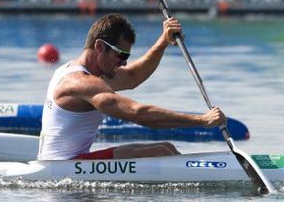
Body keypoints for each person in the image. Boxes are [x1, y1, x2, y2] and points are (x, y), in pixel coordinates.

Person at [37, 13, 226, 160]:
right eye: (122, 55)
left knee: (166, 147)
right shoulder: (81, 83)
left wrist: (163, 41)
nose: (124, 63)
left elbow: (134, 76)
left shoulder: (85, 72)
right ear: (100, 47)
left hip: (71, 161)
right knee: (160, 152)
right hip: (63, 167)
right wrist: (201, 120)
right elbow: (138, 114)